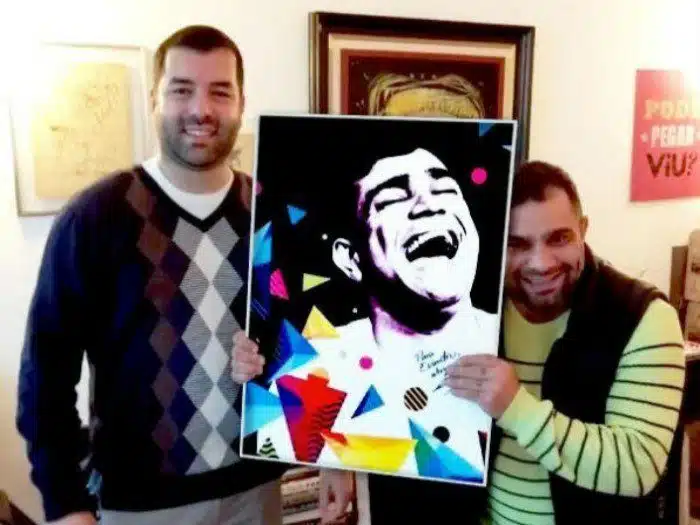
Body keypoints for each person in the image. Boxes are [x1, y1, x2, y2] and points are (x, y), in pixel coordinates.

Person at [235, 159, 687, 524]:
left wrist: (516, 406)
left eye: (560, 238)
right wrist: (340, 458)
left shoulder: (642, 318)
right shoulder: (487, 315)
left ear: (584, 230)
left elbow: (639, 467)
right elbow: (393, 394)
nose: (541, 262)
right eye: (518, 244)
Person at [16, 25, 287, 525]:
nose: (201, 110)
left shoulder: (273, 212)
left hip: (257, 493)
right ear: (154, 100)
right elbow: (46, 370)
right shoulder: (95, 217)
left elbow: (310, 341)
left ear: (241, 104)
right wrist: (65, 502)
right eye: (181, 90)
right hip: (140, 505)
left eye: (220, 92)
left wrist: (331, 456)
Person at [232, 119, 512, 523]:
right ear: (351, 258)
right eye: (393, 198)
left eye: (445, 190)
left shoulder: (510, 340)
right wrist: (334, 457)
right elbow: (272, 430)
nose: (429, 204)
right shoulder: (313, 367)